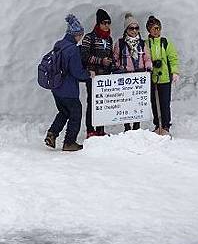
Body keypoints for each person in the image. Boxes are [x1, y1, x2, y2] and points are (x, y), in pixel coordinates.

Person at [44, 14, 92, 152]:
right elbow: (77, 72)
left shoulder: (59, 44)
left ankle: (52, 134)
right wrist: (89, 74)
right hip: (68, 89)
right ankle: (69, 142)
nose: (81, 37)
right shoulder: (73, 50)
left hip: (56, 87)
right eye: (80, 35)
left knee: (64, 112)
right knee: (76, 113)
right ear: (76, 35)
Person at [113, 12, 153, 132]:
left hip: (139, 76)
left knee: (137, 101)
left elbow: (147, 58)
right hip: (126, 76)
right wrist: (119, 67)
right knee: (126, 101)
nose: (134, 31)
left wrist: (149, 67)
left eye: (136, 28)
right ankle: (126, 126)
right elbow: (115, 58)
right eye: (131, 28)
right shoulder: (120, 43)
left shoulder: (142, 43)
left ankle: (136, 125)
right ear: (126, 29)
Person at [81, 8, 115, 138]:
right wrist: (101, 61)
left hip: (105, 76)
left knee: (103, 103)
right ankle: (90, 129)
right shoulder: (89, 37)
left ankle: (101, 129)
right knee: (92, 102)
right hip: (93, 75)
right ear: (98, 23)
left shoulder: (109, 39)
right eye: (104, 22)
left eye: (108, 23)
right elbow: (84, 56)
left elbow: (110, 55)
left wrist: (111, 62)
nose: (107, 25)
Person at [146, 15, 180, 136]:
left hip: (165, 78)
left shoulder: (165, 42)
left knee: (165, 103)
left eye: (159, 28)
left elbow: (173, 58)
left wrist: (174, 72)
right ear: (149, 30)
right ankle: (157, 124)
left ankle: (165, 125)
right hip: (152, 78)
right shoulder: (146, 44)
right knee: (154, 103)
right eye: (154, 28)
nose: (157, 31)